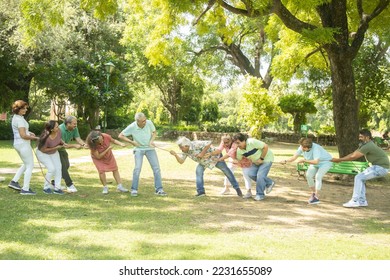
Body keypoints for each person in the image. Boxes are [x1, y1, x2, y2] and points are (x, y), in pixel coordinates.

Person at [332, 129, 389, 208]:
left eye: (361, 137)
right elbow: (353, 154)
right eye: (359, 136)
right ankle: (362, 201)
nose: (359, 138)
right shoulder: (365, 145)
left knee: (358, 177)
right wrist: (340, 159)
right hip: (377, 167)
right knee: (360, 178)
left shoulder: (368, 146)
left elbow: (353, 157)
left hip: (381, 168)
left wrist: (339, 160)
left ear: (367, 137)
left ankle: (355, 201)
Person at [169, 136, 243, 197]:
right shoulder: (185, 151)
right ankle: (201, 192)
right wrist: (175, 155)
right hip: (204, 162)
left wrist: (202, 153)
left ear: (186, 145)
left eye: (181, 147)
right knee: (198, 171)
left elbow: (209, 143)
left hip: (214, 157)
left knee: (226, 171)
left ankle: (237, 189)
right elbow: (181, 161)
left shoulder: (195, 144)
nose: (180, 149)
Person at [118, 112, 167, 196]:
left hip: (150, 149)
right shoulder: (132, 126)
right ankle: (134, 189)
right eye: (143, 121)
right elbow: (121, 135)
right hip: (138, 150)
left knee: (156, 169)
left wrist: (151, 141)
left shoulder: (149, 123)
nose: (145, 122)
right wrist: (132, 142)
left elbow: (154, 132)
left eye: (145, 119)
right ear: (138, 121)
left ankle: (159, 189)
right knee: (137, 169)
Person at [281, 137, 333, 204]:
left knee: (318, 176)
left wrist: (304, 160)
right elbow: (294, 157)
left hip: (325, 162)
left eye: (303, 148)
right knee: (308, 175)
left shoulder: (316, 148)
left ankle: (316, 197)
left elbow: (316, 161)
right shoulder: (301, 147)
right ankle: (314, 193)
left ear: (308, 147)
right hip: (313, 162)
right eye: (301, 147)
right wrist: (285, 161)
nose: (301, 148)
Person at [8, 100, 39, 195]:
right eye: (23, 108)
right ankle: (25, 189)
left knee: (26, 164)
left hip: (18, 144)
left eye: (26, 108)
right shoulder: (20, 120)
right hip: (23, 144)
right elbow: (23, 135)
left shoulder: (16, 118)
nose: (25, 110)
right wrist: (35, 138)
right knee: (30, 165)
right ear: (18, 109)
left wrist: (30, 133)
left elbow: (22, 132)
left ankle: (14, 181)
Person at [233, 133, 275, 201]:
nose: (237, 145)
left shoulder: (251, 142)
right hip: (256, 162)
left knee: (260, 175)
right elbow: (239, 159)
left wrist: (261, 159)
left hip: (267, 159)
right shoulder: (239, 150)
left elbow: (265, 146)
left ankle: (260, 194)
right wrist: (235, 161)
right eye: (236, 143)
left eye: (238, 143)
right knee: (250, 174)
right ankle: (269, 183)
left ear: (243, 140)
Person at [58, 116, 87, 193]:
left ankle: (55, 182)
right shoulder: (60, 129)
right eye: (74, 124)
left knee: (66, 165)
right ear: (68, 124)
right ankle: (70, 185)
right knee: (63, 167)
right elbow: (63, 145)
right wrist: (74, 146)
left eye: (76, 124)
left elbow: (78, 138)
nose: (75, 125)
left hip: (62, 149)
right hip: (55, 149)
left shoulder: (74, 128)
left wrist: (84, 144)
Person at [35, 120, 65, 195]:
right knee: (51, 169)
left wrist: (63, 143)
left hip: (53, 152)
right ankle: (46, 187)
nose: (59, 127)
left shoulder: (59, 131)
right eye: (57, 126)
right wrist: (56, 147)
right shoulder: (46, 137)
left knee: (58, 168)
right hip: (42, 153)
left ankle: (57, 188)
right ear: (51, 129)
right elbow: (43, 149)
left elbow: (58, 138)